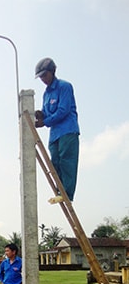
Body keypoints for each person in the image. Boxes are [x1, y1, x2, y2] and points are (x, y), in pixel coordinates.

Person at [35, 57, 80, 203]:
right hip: (54, 134)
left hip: (67, 130)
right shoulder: (46, 94)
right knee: (55, 163)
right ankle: (60, 191)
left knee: (66, 161)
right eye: (40, 76)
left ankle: (67, 193)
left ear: (52, 72)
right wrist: (41, 115)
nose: (43, 79)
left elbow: (63, 110)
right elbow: (47, 113)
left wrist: (44, 122)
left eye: (44, 75)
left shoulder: (64, 86)